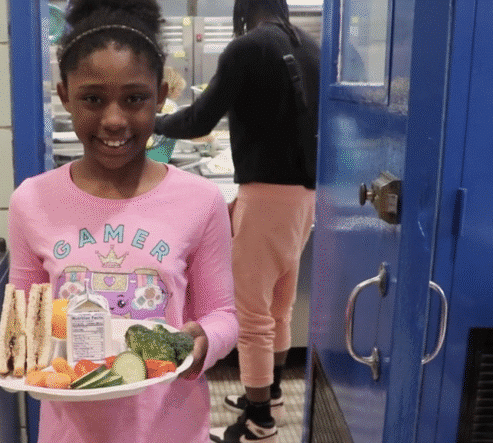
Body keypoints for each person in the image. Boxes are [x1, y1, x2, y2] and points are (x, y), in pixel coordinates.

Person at [7, 0, 239, 442]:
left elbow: (223, 315)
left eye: (135, 99)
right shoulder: (32, 201)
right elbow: (24, 319)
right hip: (70, 431)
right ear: (64, 96)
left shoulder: (201, 200)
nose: (114, 120)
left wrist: (200, 342)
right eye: (92, 99)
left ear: (161, 95)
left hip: (167, 428)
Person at [154, 0, 319, 441]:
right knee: (279, 304)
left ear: (243, 10)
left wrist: (153, 121)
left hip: (265, 194)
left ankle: (260, 419)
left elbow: (201, 119)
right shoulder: (310, 47)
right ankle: (272, 394)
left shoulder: (247, 48)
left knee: (251, 314)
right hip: (306, 197)